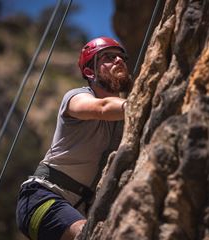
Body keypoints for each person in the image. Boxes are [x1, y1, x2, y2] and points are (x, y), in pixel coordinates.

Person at [16, 36, 131, 240]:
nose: (119, 60)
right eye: (109, 57)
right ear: (89, 71)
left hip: (78, 209)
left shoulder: (121, 121)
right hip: (41, 198)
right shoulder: (76, 98)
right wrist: (143, 101)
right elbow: (102, 108)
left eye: (121, 57)